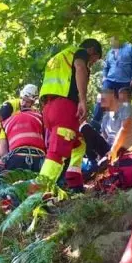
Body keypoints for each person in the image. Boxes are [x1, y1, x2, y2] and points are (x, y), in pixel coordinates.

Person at [37, 39, 102, 193]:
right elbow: (80, 68)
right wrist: (83, 100)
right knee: (58, 150)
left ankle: (76, 185)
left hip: (48, 108)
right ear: (91, 50)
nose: (91, 63)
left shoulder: (57, 59)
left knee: (79, 144)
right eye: (94, 60)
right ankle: (37, 194)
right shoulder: (79, 52)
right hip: (64, 105)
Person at [0, 84, 39, 180]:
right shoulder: (9, 106)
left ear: (33, 102)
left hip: (7, 136)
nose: (24, 103)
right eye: (23, 99)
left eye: (28, 102)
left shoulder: (33, 111)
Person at [91, 36, 132, 128]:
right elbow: (106, 67)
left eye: (113, 38)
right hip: (110, 80)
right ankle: (94, 125)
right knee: (102, 99)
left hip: (125, 81)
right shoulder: (110, 52)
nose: (111, 41)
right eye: (110, 39)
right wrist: (104, 77)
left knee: (122, 106)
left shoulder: (131, 48)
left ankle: (122, 128)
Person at [100, 88, 132, 162]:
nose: (122, 101)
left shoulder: (128, 108)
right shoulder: (107, 114)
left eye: (124, 99)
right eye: (121, 99)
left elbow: (124, 130)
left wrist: (113, 149)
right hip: (110, 145)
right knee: (87, 128)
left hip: (121, 147)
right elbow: (103, 134)